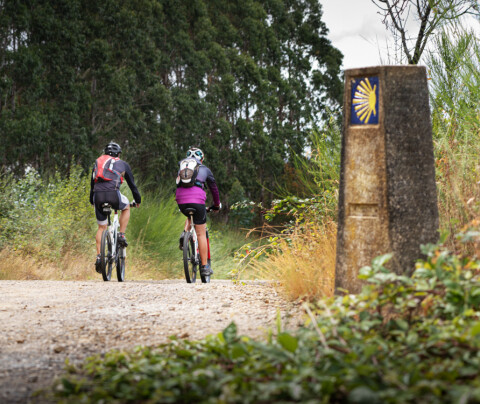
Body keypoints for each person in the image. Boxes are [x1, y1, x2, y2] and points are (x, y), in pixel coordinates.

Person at [90, 142, 141, 273]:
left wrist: (92, 200)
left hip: (98, 196)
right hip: (113, 195)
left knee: (101, 228)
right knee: (126, 207)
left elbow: (92, 183)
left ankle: (99, 257)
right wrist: (137, 200)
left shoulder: (98, 162)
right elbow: (132, 185)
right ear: (118, 154)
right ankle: (121, 235)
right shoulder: (123, 164)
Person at [176, 147, 221, 277]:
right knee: (201, 233)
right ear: (201, 159)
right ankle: (204, 266)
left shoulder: (182, 168)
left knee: (190, 216)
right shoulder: (205, 169)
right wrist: (216, 205)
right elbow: (214, 189)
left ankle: (185, 234)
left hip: (181, 200)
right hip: (197, 201)